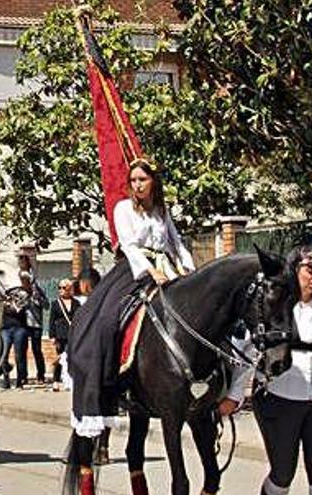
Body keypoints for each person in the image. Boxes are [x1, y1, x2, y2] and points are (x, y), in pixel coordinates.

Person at [67, 158, 195, 488]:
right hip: (132, 273)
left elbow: (176, 244)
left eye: (143, 179)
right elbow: (127, 244)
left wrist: (189, 271)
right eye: (134, 179)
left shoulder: (162, 211)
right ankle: (107, 378)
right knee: (108, 322)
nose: (137, 184)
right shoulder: (124, 209)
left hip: (166, 270)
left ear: (154, 182)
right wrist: (149, 271)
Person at [219, 246, 312, 495]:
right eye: (310, 270)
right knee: (282, 476)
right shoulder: (275, 302)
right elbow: (247, 350)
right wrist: (234, 394)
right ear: (294, 271)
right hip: (279, 400)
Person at [18, 251, 49, 384]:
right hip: (22, 323)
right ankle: (23, 376)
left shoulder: (36, 288)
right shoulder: (17, 289)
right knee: (21, 351)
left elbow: (46, 304)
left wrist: (35, 296)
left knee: (37, 350)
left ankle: (41, 375)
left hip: (36, 323)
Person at [49, 278, 79, 392]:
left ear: (70, 289)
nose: (61, 290)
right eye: (59, 287)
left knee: (71, 358)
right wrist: (52, 336)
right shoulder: (56, 303)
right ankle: (55, 381)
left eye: (64, 287)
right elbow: (52, 320)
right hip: (60, 335)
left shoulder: (76, 303)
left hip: (72, 335)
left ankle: (69, 380)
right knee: (60, 358)